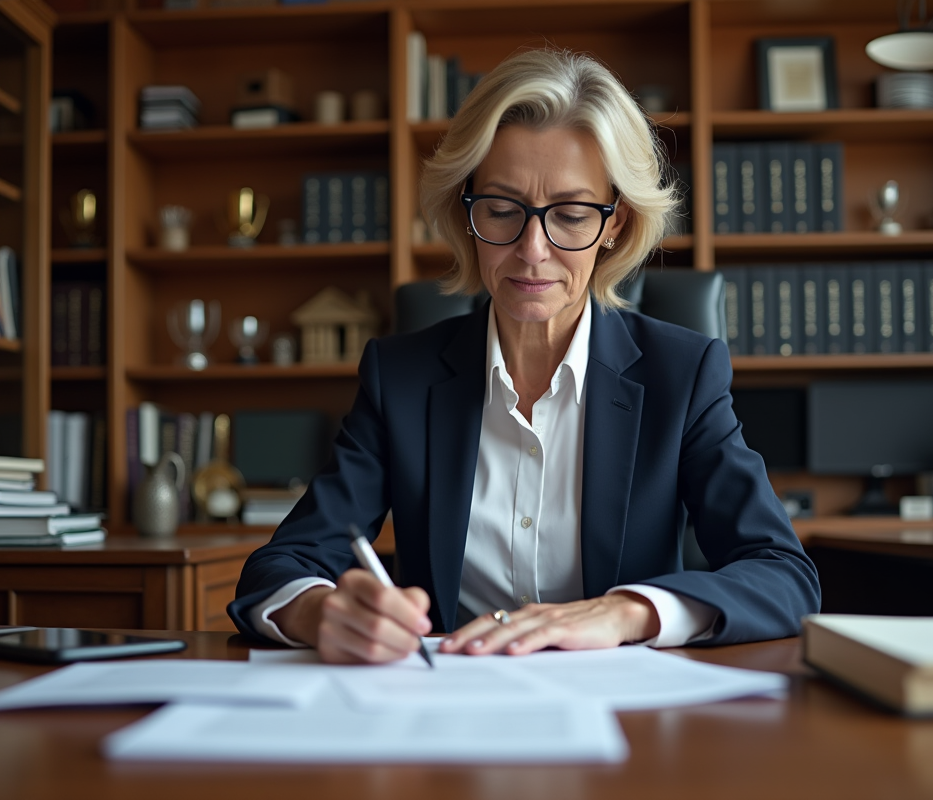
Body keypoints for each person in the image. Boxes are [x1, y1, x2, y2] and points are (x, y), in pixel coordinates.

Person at [229, 48, 819, 663]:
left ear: (615, 222)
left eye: (569, 214)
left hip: (627, 720)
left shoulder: (683, 376)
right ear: (468, 209)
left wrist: (626, 612)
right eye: (503, 210)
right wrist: (325, 611)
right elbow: (280, 567)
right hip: (447, 708)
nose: (532, 250)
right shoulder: (400, 378)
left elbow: (784, 577)